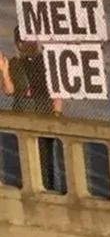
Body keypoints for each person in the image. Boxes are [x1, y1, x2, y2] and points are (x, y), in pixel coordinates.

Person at [0, 27, 64, 191]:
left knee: (45, 157)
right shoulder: (15, 63)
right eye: (22, 41)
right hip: (23, 115)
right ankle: (29, 189)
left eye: (30, 40)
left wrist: (57, 113)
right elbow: (10, 91)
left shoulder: (46, 62)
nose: (26, 44)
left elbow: (58, 90)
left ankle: (49, 189)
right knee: (26, 158)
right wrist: (4, 71)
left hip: (44, 115)